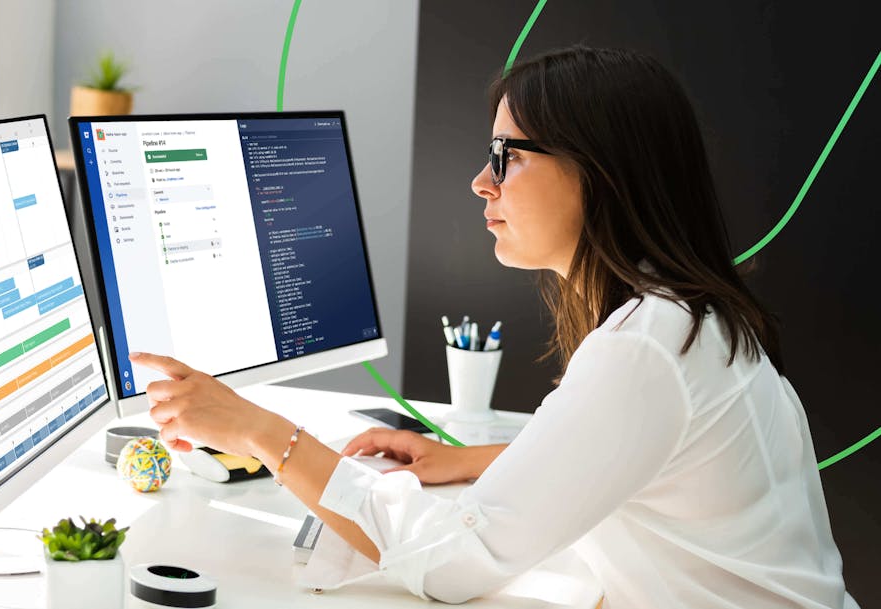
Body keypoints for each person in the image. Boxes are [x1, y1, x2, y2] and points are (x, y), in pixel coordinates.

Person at [130, 45, 857, 608]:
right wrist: (468, 458)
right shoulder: (690, 316)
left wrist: (262, 431)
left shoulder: (647, 347)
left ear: (597, 172)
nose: (483, 181)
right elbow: (621, 452)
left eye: (507, 156)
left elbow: (448, 565)